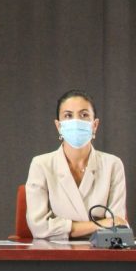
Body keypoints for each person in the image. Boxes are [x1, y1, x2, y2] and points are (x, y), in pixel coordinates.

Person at [26, 89, 127, 240]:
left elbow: (117, 226)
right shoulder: (41, 165)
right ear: (58, 126)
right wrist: (100, 224)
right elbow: (39, 228)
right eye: (68, 115)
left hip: (102, 251)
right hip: (54, 251)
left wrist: (62, 228)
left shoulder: (113, 164)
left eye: (84, 115)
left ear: (95, 125)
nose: (76, 121)